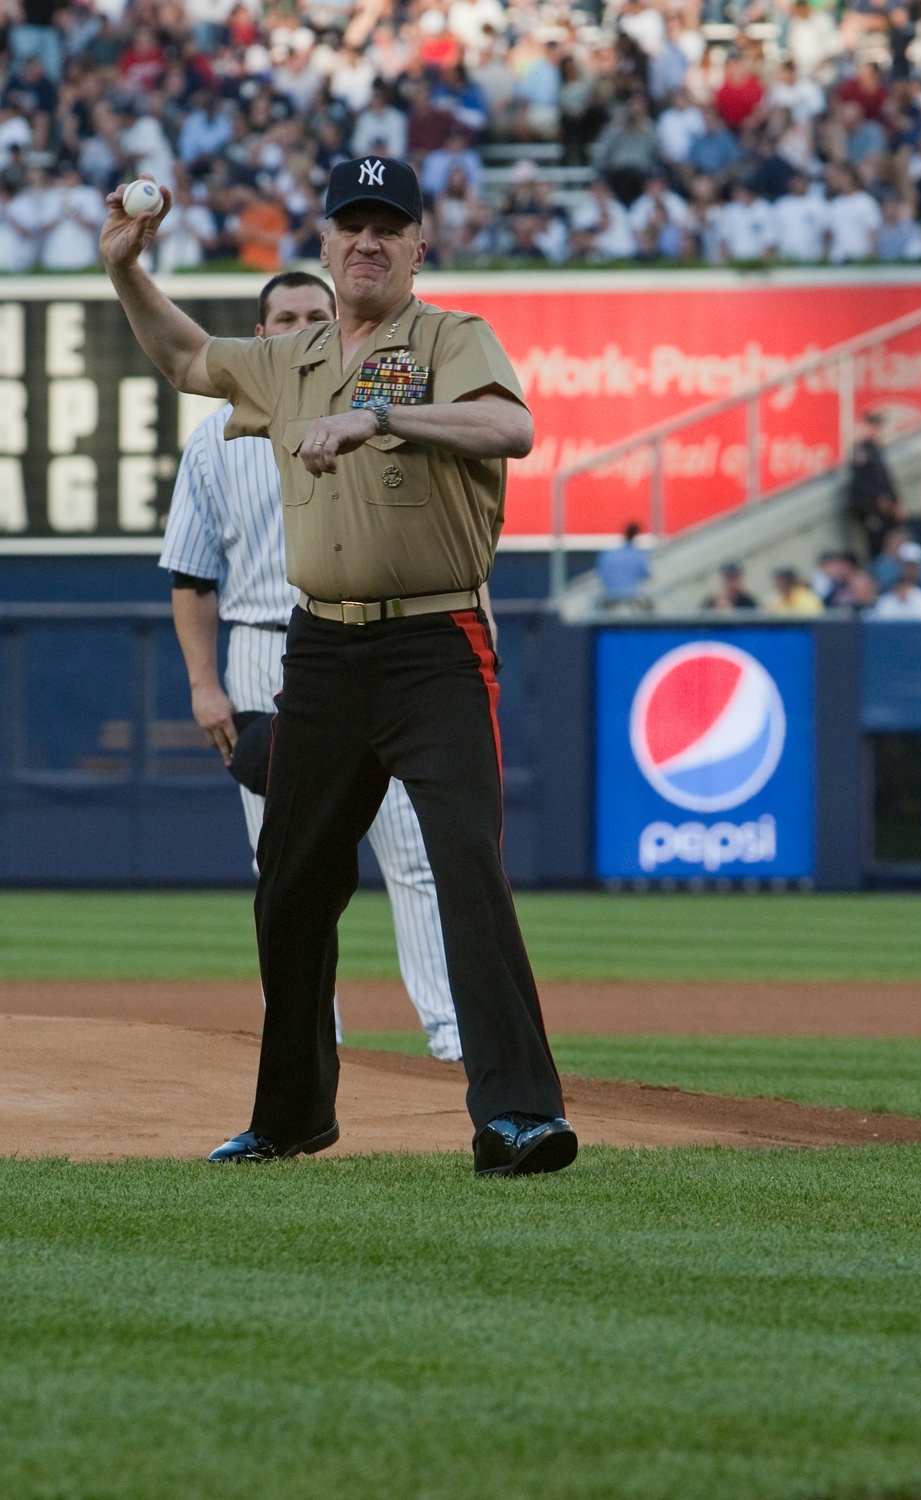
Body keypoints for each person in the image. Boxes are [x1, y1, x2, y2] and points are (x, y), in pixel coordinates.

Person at [99, 157, 576, 1179]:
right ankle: (290, 1117)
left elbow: (513, 428)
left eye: (386, 227)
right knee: (292, 884)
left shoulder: (450, 338)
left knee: (464, 862)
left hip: (434, 642)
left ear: (417, 245)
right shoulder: (291, 358)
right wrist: (127, 275)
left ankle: (516, 1115)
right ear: (323, 242)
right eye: (351, 225)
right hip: (318, 650)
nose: (367, 242)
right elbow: (187, 357)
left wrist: (384, 414)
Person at [160, 269, 463, 1065]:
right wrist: (203, 685)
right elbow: (190, 576)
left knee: (415, 851)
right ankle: (305, 1041)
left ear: (336, 325)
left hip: (372, 639)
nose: (298, 325)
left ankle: (450, 1034)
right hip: (261, 643)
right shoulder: (217, 434)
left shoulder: (381, 413)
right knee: (285, 866)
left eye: (313, 314)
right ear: (260, 337)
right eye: (283, 316)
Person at [848, 410, 905, 560]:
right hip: (873, 510)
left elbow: (886, 479)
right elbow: (861, 483)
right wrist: (877, 500)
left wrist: (896, 502)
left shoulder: (876, 449)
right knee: (878, 548)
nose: (877, 430)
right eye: (873, 426)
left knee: (893, 546)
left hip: (886, 510)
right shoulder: (862, 450)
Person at [869, 541, 921, 620]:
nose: (910, 569)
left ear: (920, 566)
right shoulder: (889, 587)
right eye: (907, 565)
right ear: (899, 565)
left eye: (914, 566)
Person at [596, 522, 652, 607]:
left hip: (610, 595)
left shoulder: (608, 553)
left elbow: (600, 574)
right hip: (631, 595)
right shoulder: (639, 555)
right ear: (637, 536)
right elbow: (645, 575)